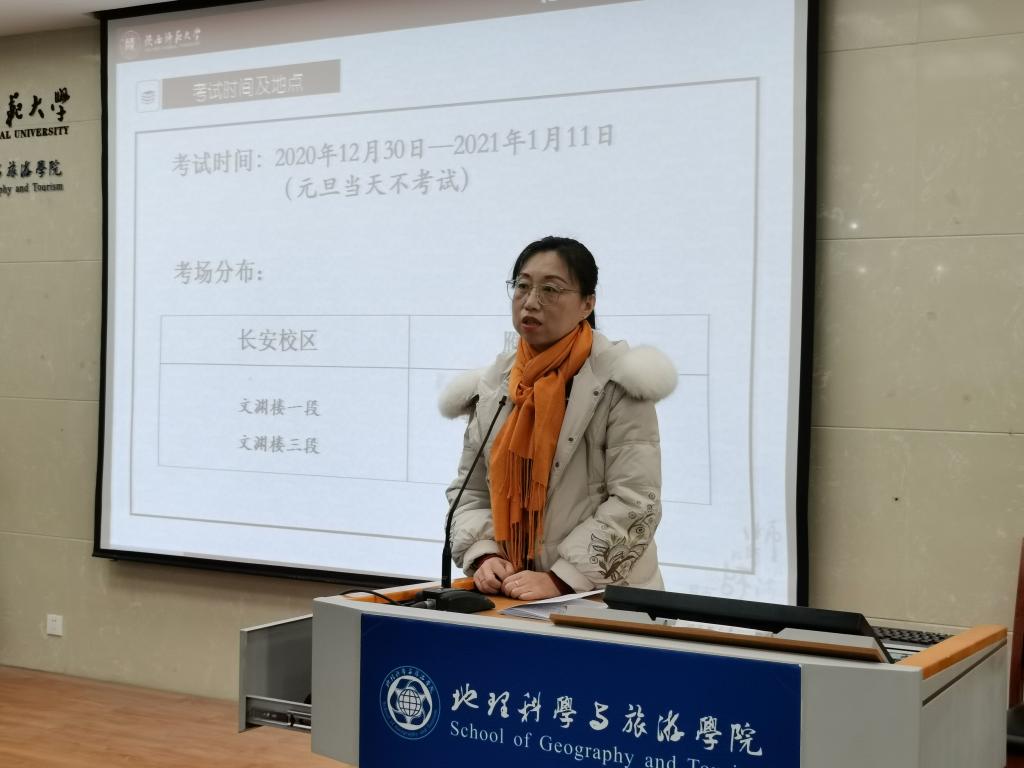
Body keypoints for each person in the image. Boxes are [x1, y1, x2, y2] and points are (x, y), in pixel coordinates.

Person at [439, 236, 677, 601]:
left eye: (551, 289)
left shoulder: (618, 383)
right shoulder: (494, 385)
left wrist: (561, 578)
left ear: (587, 304)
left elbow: (636, 502)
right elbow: (469, 492)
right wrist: (484, 554)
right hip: (512, 597)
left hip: (604, 601)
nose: (531, 302)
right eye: (522, 286)